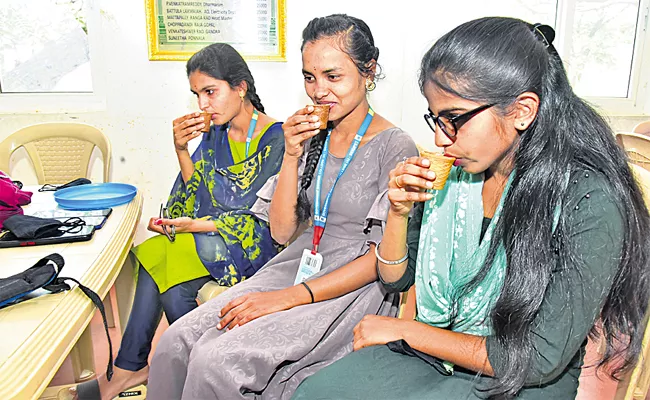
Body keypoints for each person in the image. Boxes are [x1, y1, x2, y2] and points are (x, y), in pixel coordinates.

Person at [293, 17, 650, 400]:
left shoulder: (588, 197)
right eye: (435, 118)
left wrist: (408, 330)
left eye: (454, 119)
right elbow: (396, 278)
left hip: (518, 375)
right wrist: (397, 213)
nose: (438, 138)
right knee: (315, 391)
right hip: (436, 352)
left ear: (522, 110)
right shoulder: (457, 173)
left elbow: (540, 357)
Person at [145, 14, 418, 399]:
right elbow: (282, 233)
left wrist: (288, 298)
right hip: (298, 261)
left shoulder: (394, 145)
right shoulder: (309, 137)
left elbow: (382, 260)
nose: (318, 91)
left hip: (352, 284)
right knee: (175, 341)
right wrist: (291, 155)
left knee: (215, 360)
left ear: (368, 71)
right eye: (309, 77)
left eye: (332, 76)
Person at [71, 43, 284, 400]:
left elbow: (256, 221)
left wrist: (191, 227)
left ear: (241, 87)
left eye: (210, 92)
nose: (202, 105)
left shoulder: (275, 138)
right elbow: (196, 197)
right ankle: (187, 370)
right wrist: (182, 150)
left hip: (256, 245)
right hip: (208, 238)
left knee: (162, 255)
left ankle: (135, 368)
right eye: (197, 94)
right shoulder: (216, 132)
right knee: (168, 273)